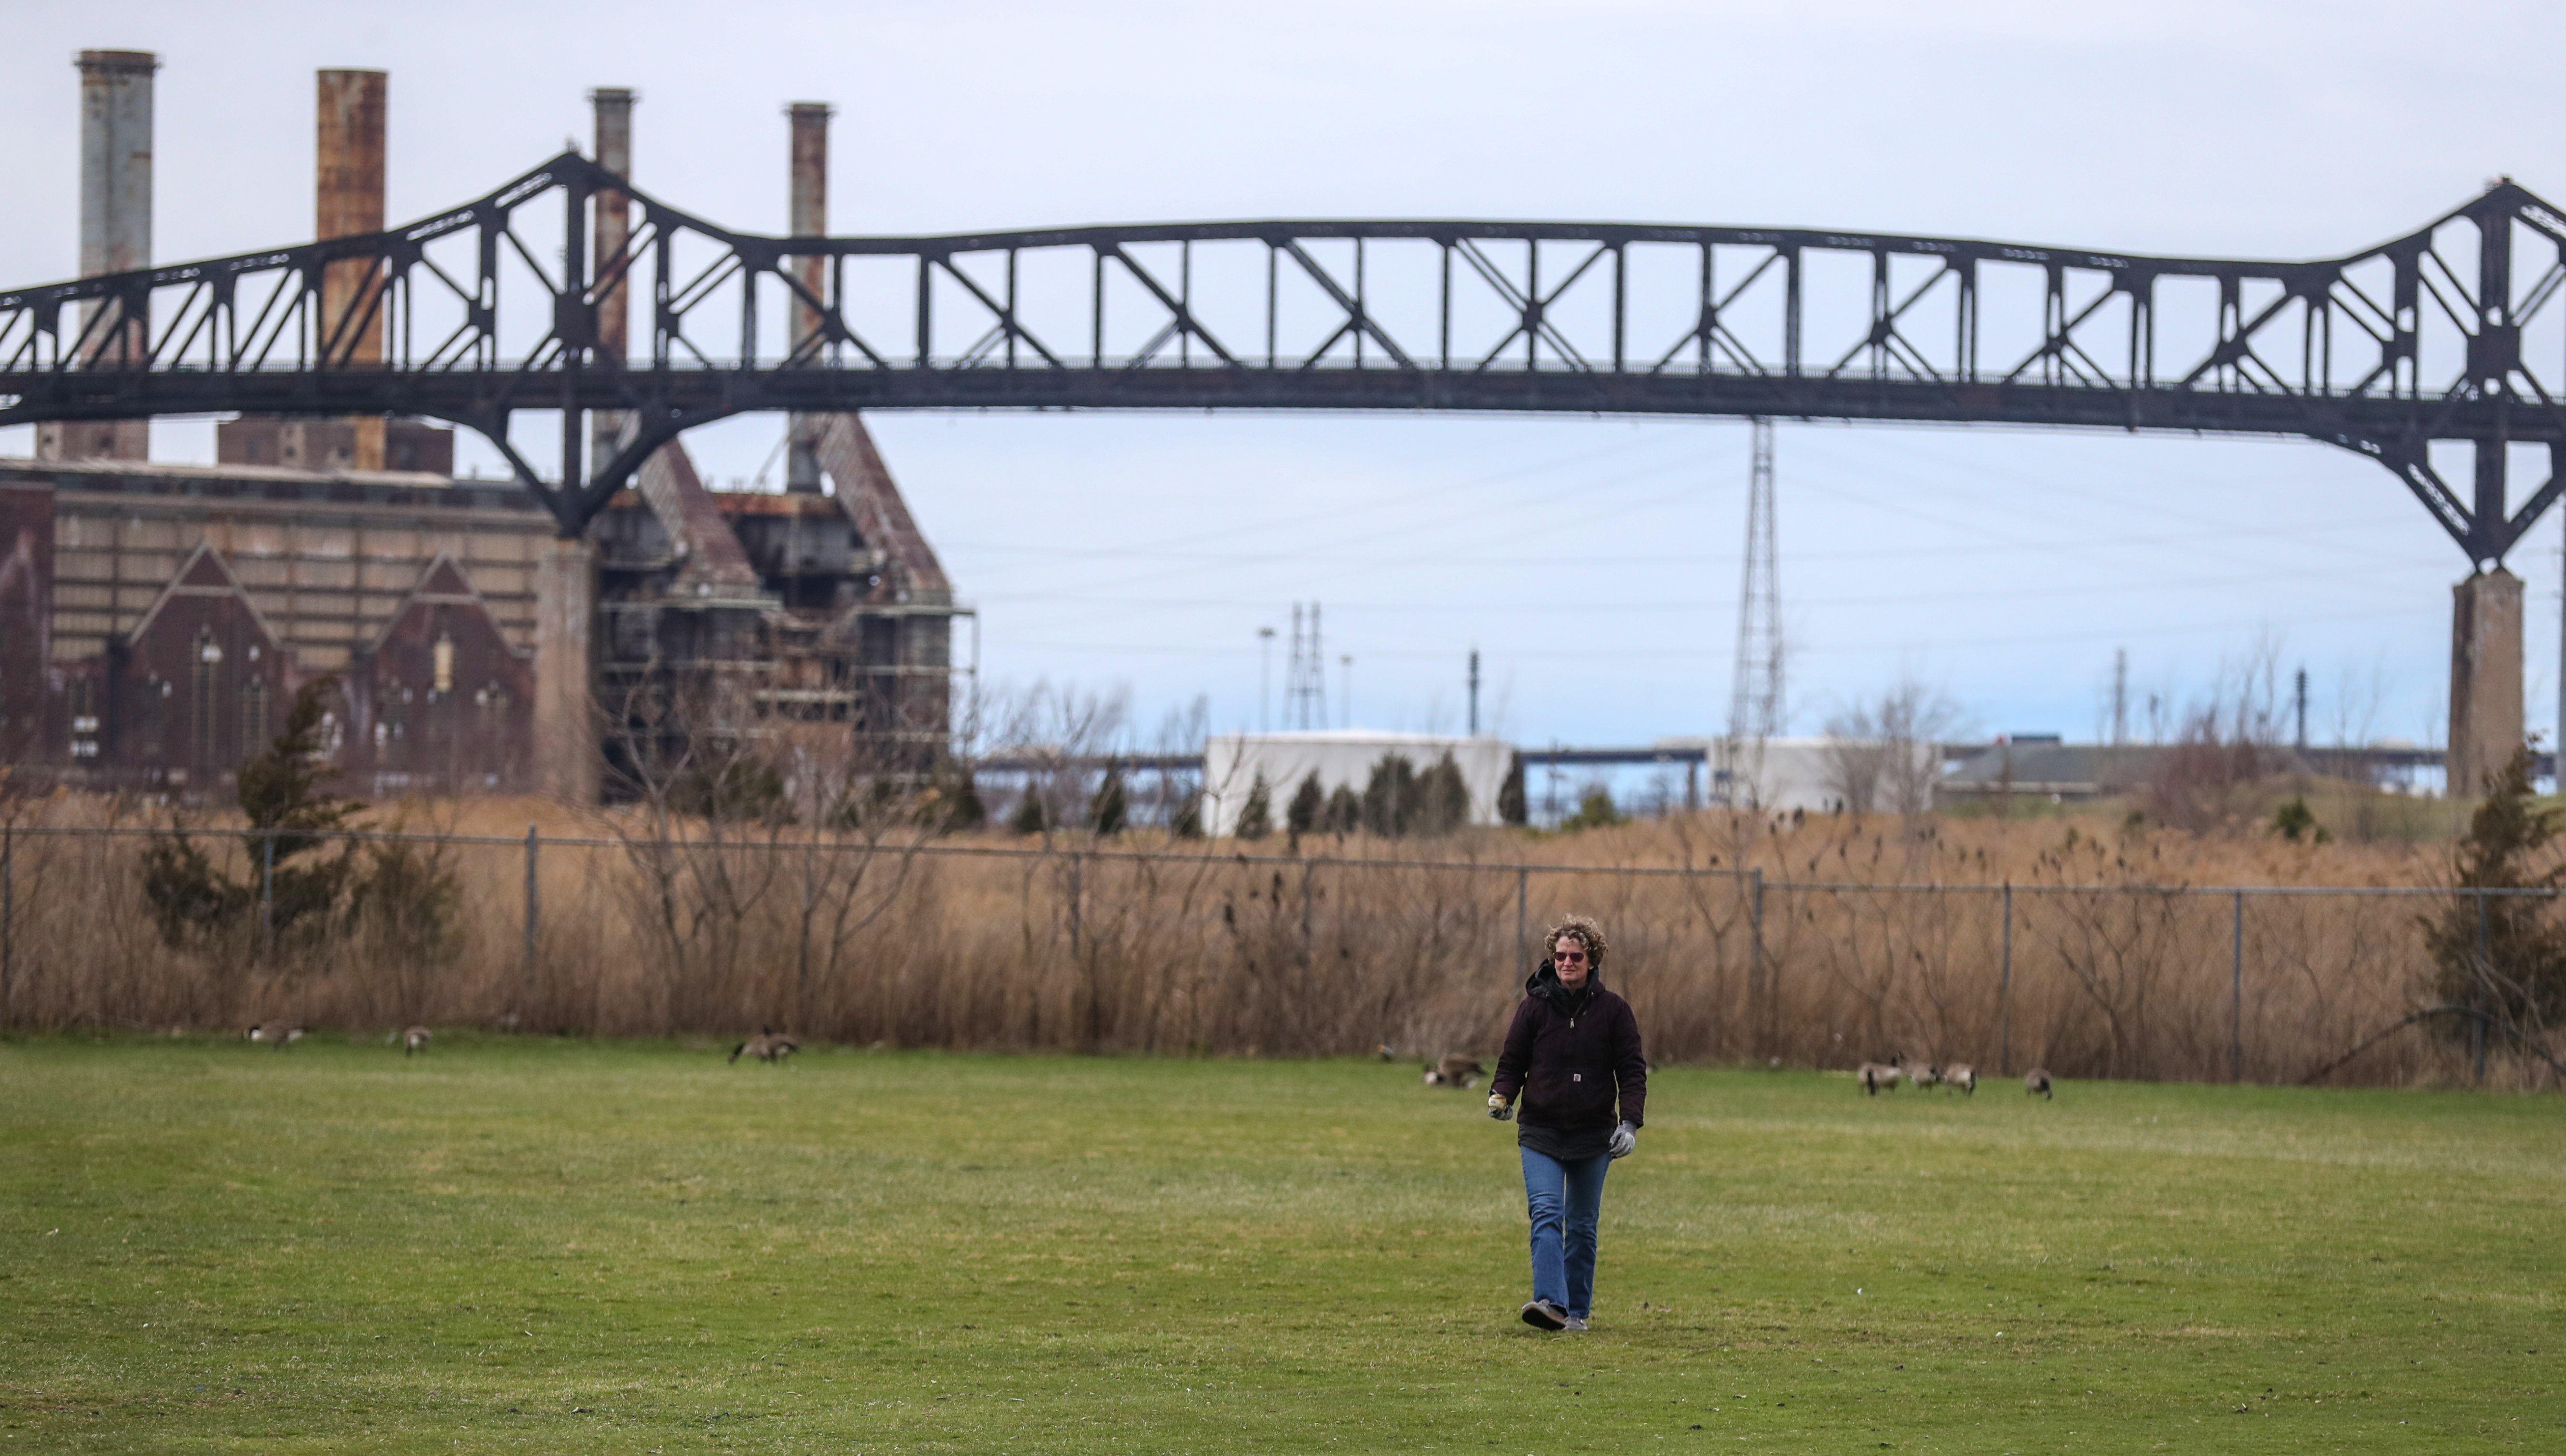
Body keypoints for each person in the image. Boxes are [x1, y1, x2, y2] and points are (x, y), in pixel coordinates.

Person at [1485, 914, 1647, 1332]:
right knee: (1545, 1212)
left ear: (1593, 960)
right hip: (1540, 1131)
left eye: (1575, 956)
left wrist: (1629, 1124)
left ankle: (1577, 1312)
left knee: (1580, 1225)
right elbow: (1513, 1060)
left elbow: (1631, 1069)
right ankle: (1551, 1303)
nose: (1566, 962)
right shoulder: (1534, 1007)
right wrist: (1501, 1094)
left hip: (1594, 1136)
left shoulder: (1614, 1011)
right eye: (1559, 955)